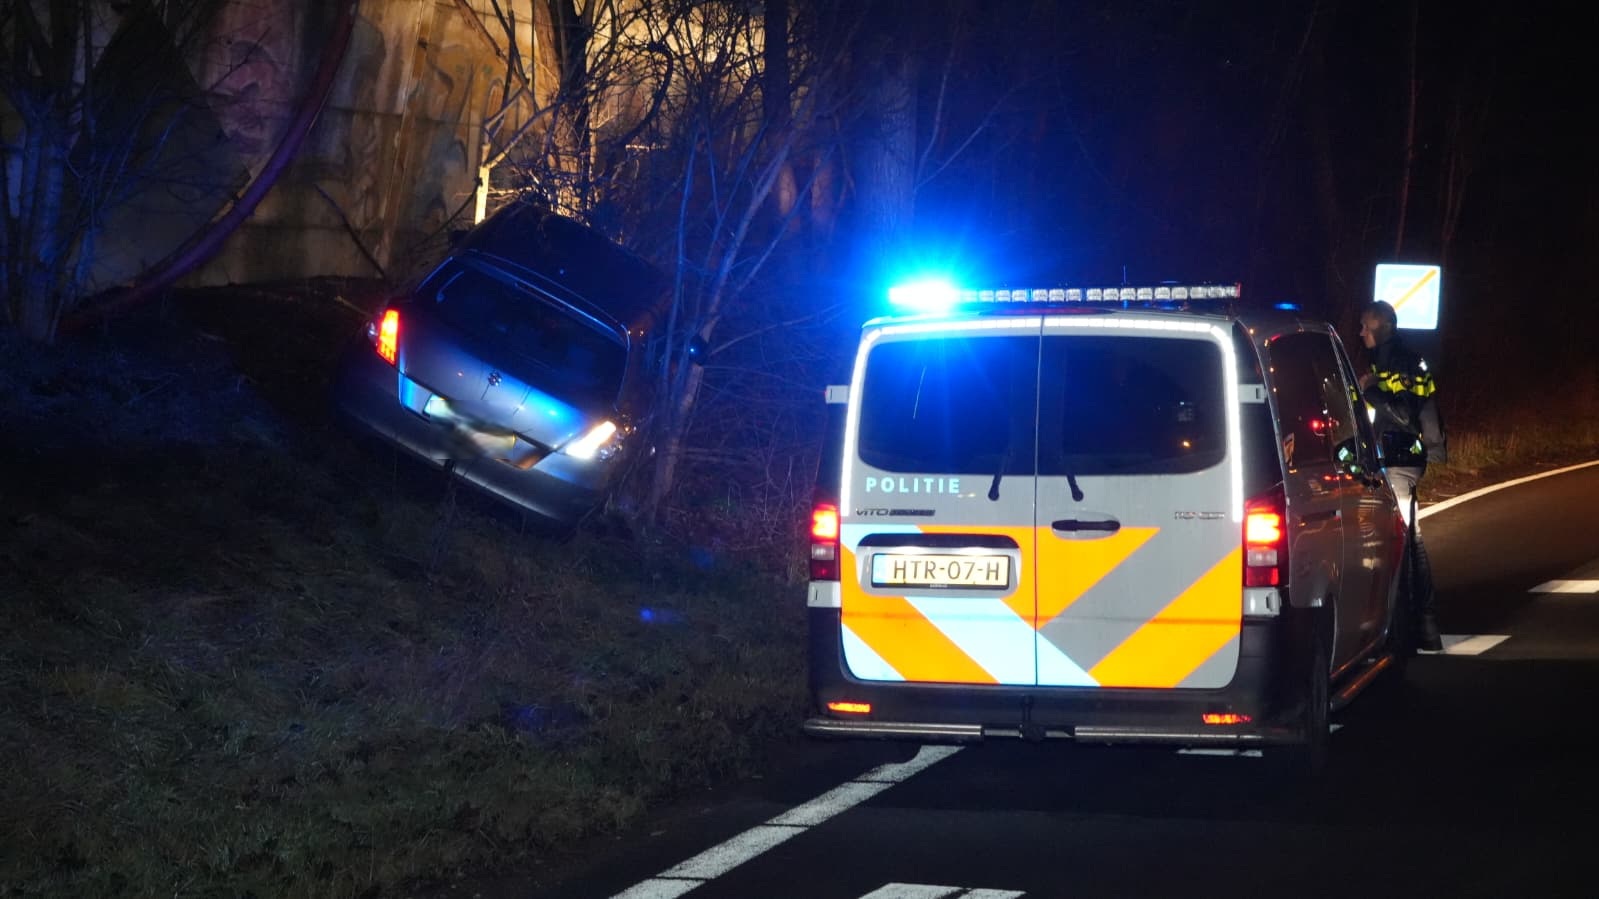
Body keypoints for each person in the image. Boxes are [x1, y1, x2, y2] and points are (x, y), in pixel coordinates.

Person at [1358, 300, 1448, 652]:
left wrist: (1368, 390)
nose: (1360, 332)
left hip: (1398, 460)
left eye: (1365, 325)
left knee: (1407, 539)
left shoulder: (1400, 364)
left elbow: (1403, 413)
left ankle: (1420, 623)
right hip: (1387, 460)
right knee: (1405, 540)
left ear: (1380, 327)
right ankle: (1413, 624)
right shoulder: (1385, 361)